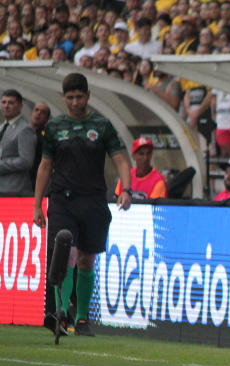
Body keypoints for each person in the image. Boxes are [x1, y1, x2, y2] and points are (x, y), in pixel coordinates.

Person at [34, 73, 132, 338]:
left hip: (94, 200)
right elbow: (45, 167)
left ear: (88, 95)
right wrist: (37, 205)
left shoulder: (102, 125)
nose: (75, 102)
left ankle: (82, 319)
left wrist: (126, 189)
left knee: (87, 261)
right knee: (68, 255)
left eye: (79, 97)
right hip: (62, 199)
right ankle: (61, 314)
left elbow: (121, 161)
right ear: (63, 97)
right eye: (70, 97)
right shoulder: (54, 127)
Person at [0, 90, 37, 195]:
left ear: (20, 107)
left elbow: (26, 161)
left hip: (14, 190)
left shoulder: (25, 129)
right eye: (4, 102)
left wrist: (1, 165)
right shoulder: (2, 128)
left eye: (11, 103)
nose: (6, 106)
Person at [29, 101, 51, 192]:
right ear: (31, 114)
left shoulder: (46, 136)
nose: (38, 113)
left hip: (37, 177)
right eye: (36, 110)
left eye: (43, 112)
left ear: (47, 119)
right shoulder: (23, 132)